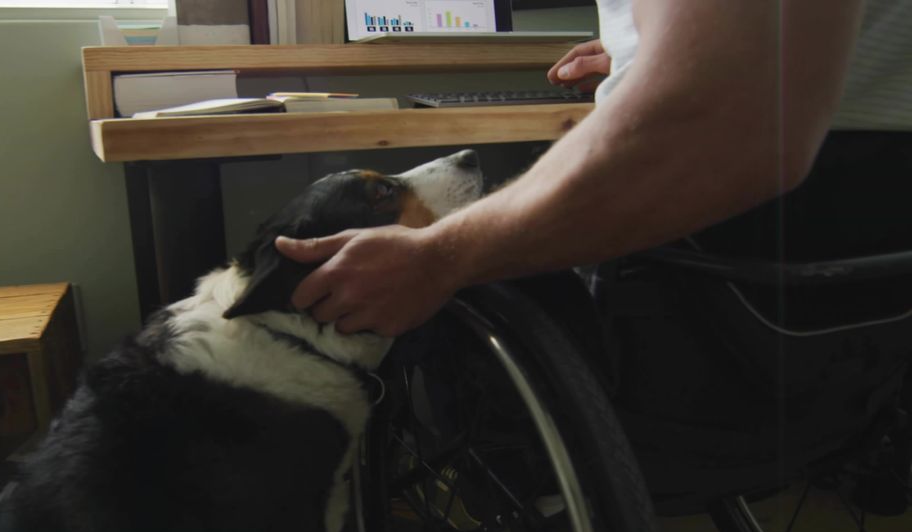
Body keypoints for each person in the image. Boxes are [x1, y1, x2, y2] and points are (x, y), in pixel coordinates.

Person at [276, 0, 911, 337]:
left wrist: (441, 256)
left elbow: (719, 122)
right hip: (878, 230)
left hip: (738, 273)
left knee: (445, 268)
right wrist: (647, 50)